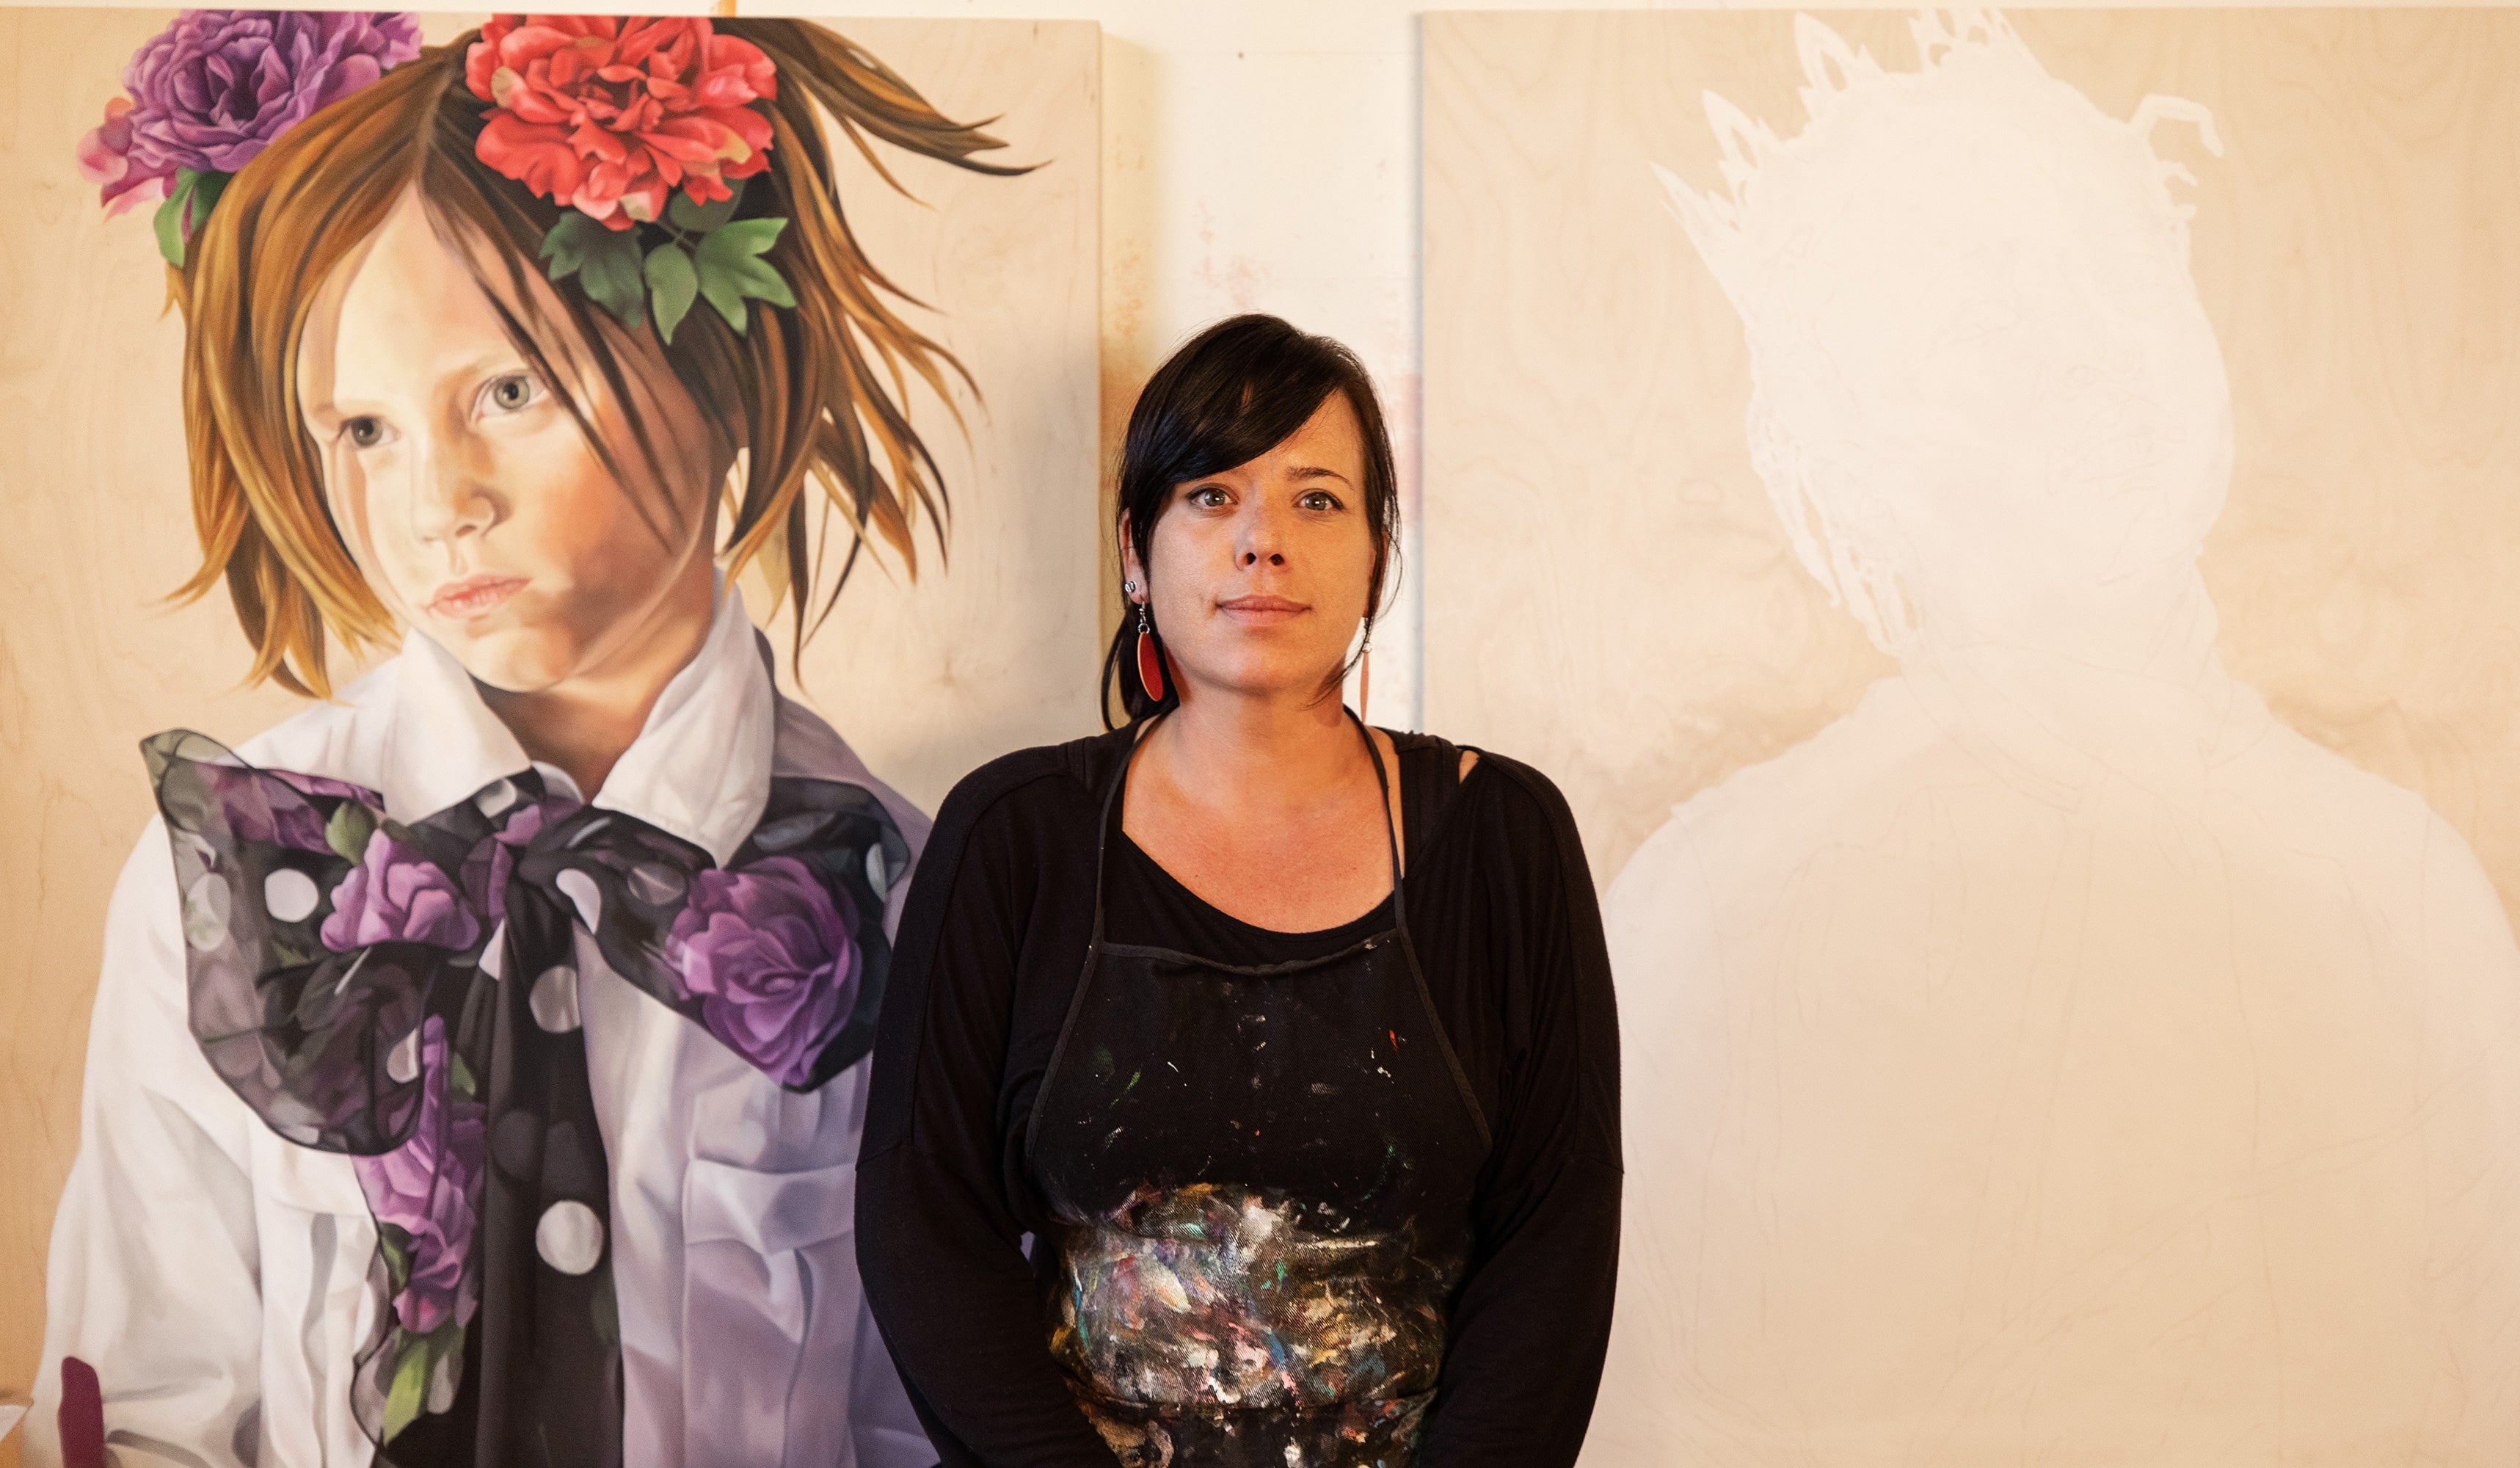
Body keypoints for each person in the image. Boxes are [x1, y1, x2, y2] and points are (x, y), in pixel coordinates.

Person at [32, 12, 1019, 1466]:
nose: (438, 505)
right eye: (362, 430)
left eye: (509, 392)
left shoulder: (896, 890)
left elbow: (918, 1417)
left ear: (718, 366)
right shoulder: (239, 870)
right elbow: (147, 1403)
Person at [1592, 12, 2520, 1462]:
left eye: (2110, 278)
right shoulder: (1712, 911)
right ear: (1850, 461)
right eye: (1978, 335)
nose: (2084, 369)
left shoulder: (2405, 893)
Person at [855, 314, 1623, 1468]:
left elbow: (1556, 1231)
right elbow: (922, 1219)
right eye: (1211, 496)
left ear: (1376, 552)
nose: (1262, 542)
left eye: (1316, 500)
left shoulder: (1500, 836)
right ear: (1135, 549)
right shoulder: (1015, 836)